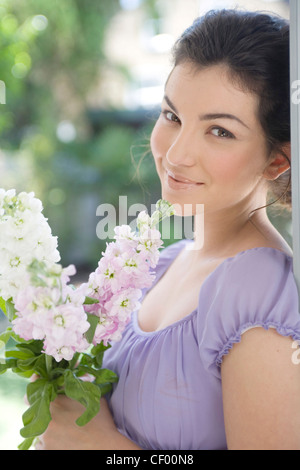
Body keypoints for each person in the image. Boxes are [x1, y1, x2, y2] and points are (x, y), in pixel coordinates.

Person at [37, 9, 300, 450]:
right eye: (172, 116)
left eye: (219, 131)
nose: (176, 155)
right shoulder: (163, 263)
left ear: (277, 160)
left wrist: (101, 446)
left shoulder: (258, 290)